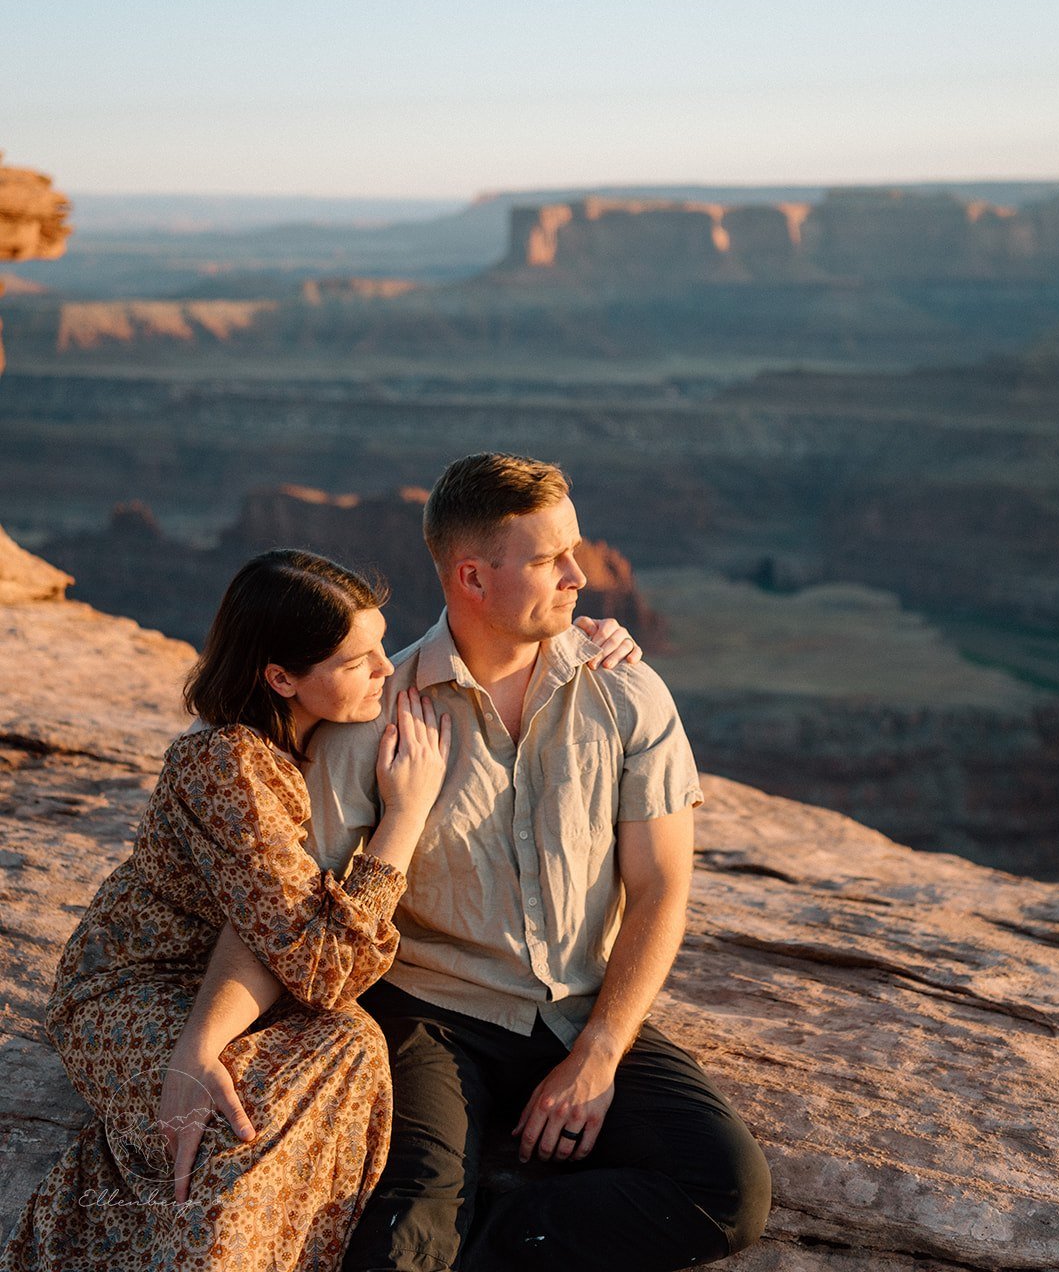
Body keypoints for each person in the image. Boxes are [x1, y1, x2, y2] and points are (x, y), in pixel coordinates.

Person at [185, 455, 773, 1271]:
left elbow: (661, 888)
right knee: (403, 1240)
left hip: (580, 1004)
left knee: (727, 1191)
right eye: (547, 560)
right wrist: (201, 1044)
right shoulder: (371, 718)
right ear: (472, 577)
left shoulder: (628, 694)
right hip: (431, 1012)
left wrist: (599, 1051)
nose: (579, 575)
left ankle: (489, 1233)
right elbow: (287, 909)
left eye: (572, 550)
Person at [0, 549, 451, 1272]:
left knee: (351, 1047)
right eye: (357, 659)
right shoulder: (227, 764)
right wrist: (405, 817)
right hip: (131, 991)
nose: (384, 671)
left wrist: (586, 642)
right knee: (223, 1132)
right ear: (280, 678)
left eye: (381, 646)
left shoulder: (308, 741)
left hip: (234, 996)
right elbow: (322, 968)